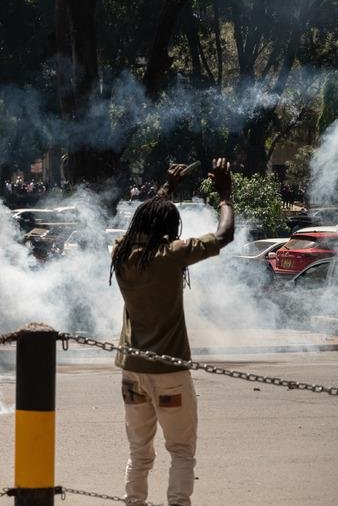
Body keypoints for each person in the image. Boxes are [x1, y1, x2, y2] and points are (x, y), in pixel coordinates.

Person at [109, 159, 234, 506]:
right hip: (171, 375)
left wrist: (166, 189)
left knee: (139, 454)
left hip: (132, 373)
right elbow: (225, 235)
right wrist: (225, 194)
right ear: (169, 228)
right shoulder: (171, 254)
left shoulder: (121, 253)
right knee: (181, 452)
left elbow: (140, 226)